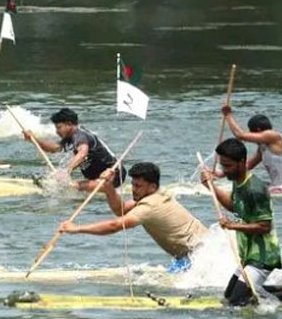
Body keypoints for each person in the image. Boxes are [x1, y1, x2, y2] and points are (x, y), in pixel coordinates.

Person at [60, 162, 207, 273]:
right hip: (197, 252)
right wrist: (109, 189)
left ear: (152, 186)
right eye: (133, 185)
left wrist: (77, 229)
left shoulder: (150, 206)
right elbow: (121, 210)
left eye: (138, 186)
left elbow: (115, 225)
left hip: (202, 255)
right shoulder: (158, 194)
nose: (134, 190)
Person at [201, 138, 281, 305]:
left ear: (242, 162)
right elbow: (234, 206)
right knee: (229, 296)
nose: (225, 170)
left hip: (262, 256)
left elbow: (265, 226)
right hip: (248, 254)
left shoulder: (255, 189)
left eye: (228, 166)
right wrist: (211, 187)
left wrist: (232, 225)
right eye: (223, 165)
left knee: (237, 301)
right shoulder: (239, 182)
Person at [24, 107, 120, 191]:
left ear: (69, 124)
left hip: (112, 176)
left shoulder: (80, 135)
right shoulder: (69, 138)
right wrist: (34, 139)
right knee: (65, 186)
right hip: (96, 178)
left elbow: (83, 153)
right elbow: (54, 148)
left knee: (71, 186)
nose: (57, 131)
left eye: (59, 127)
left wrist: (66, 171)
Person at [222, 107, 282, 192]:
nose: (249, 134)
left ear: (258, 130)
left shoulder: (272, 135)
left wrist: (228, 115)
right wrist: (221, 173)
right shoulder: (263, 148)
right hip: (276, 186)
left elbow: (241, 135)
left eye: (250, 131)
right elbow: (248, 166)